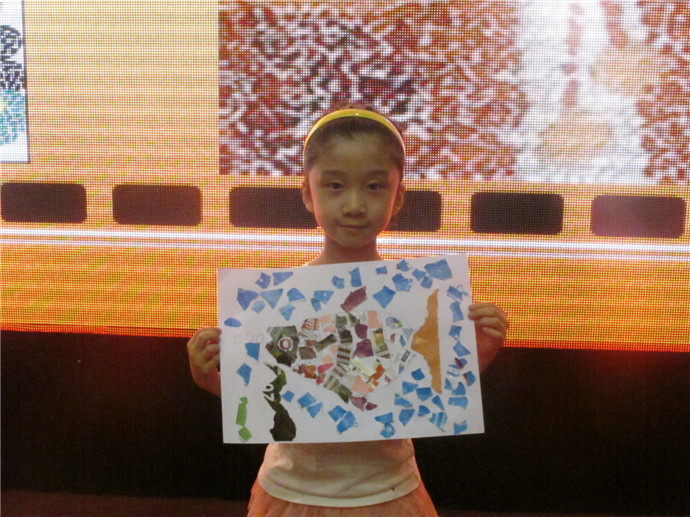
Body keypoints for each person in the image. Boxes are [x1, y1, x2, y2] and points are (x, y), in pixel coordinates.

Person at [187, 105, 509, 516]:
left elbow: (429, 390)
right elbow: (266, 394)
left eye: (374, 186)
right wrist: (210, 378)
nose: (355, 205)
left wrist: (476, 356)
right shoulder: (278, 303)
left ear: (398, 197)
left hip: (387, 493)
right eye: (335, 185)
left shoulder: (414, 299)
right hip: (292, 493)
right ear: (308, 193)